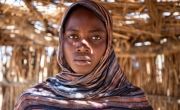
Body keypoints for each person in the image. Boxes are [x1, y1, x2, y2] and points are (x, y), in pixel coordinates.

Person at [14, 0, 153, 110]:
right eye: (73, 36)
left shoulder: (133, 101)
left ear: (108, 44)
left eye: (96, 37)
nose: (82, 47)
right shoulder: (33, 101)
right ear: (62, 42)